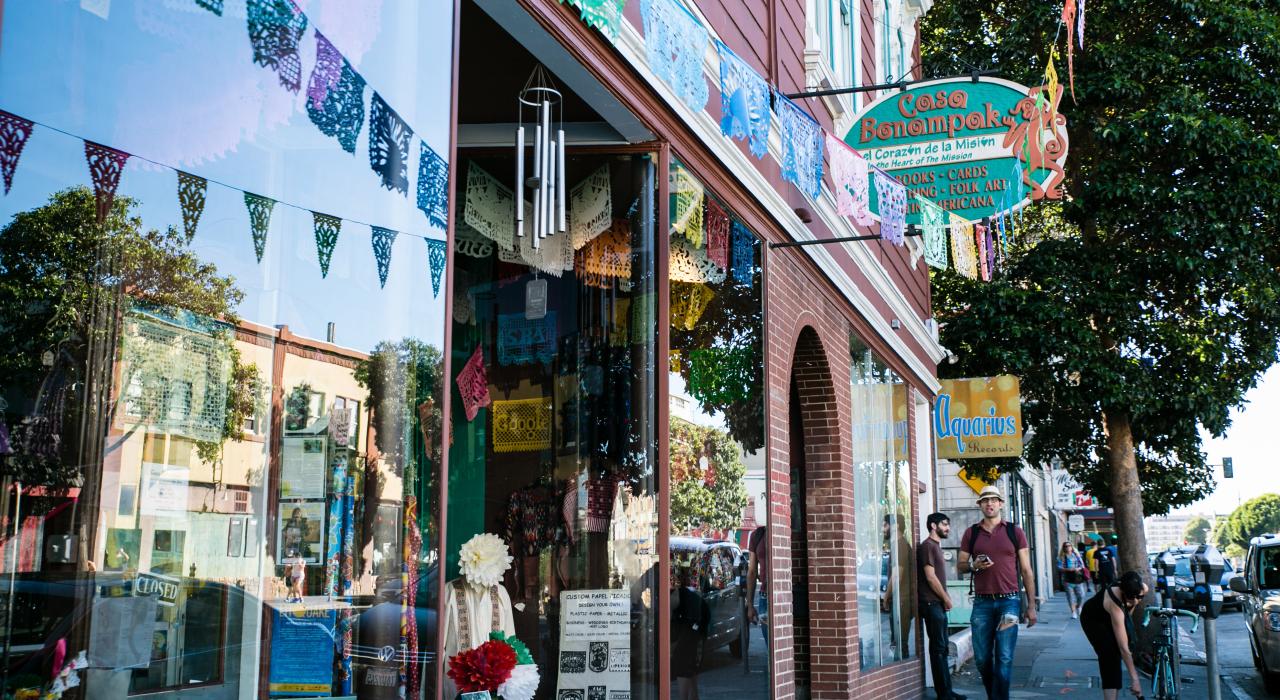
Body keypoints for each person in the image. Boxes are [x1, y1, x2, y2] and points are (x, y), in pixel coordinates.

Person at [957, 485, 1037, 700]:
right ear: (980, 505)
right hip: (982, 604)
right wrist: (974, 566)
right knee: (982, 658)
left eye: (993, 500)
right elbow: (961, 565)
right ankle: (995, 695)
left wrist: (1031, 605)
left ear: (1001, 503)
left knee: (1004, 656)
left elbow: (1027, 570)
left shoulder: (1014, 531)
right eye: (985, 500)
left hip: (1009, 602)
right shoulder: (971, 533)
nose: (989, 503)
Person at [919, 513, 966, 700]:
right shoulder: (927, 546)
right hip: (931, 604)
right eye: (944, 524)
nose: (948, 528)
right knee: (938, 650)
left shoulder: (936, 546)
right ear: (933, 525)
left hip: (937, 604)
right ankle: (943, 694)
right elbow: (930, 577)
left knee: (943, 648)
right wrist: (946, 598)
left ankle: (947, 691)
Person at [1080, 570, 1147, 699]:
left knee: (1118, 649)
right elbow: (1124, 649)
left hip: (1111, 616)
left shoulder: (1142, 588)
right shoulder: (1114, 603)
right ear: (1122, 591)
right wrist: (1135, 680)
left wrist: (1132, 605)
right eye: (1130, 598)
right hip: (1093, 620)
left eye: (1138, 597)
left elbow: (1128, 613)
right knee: (1110, 655)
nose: (1135, 601)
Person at [671, 563, 710, 700]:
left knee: (683, 660)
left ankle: (686, 697)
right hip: (694, 620)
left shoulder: (682, 596)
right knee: (688, 660)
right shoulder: (682, 594)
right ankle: (693, 696)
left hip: (694, 621)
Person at [745, 525, 769, 651]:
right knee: (770, 649)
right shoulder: (757, 535)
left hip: (785, 595)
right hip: (765, 597)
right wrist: (749, 605)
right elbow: (752, 571)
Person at [1057, 542, 1087, 619]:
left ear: (1072, 547)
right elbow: (1059, 568)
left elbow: (1082, 565)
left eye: (1069, 546)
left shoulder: (1076, 555)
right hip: (1067, 579)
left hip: (1077, 578)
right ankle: (1073, 612)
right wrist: (1068, 569)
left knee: (1081, 595)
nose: (1067, 547)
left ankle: (1079, 606)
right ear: (1063, 548)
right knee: (1070, 596)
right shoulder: (1061, 557)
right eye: (1065, 546)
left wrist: (1078, 569)